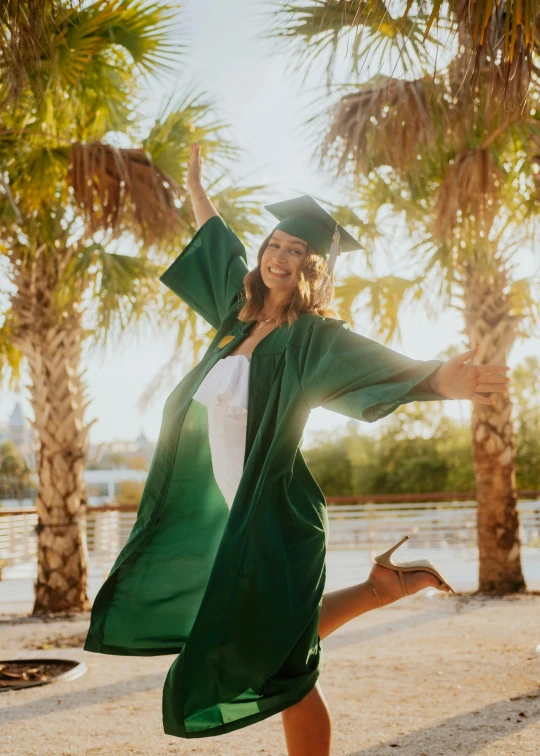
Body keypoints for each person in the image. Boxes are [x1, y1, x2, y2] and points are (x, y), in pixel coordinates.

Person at [84, 143, 510, 754]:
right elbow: (215, 244)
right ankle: (384, 587)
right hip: (239, 514)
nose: (279, 257)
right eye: (274, 245)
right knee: (277, 644)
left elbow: (378, 368)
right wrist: (198, 186)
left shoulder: (312, 339)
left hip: (278, 518)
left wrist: (444, 379)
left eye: (296, 251)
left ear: (313, 267)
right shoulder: (236, 317)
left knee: (283, 668)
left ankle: (382, 589)